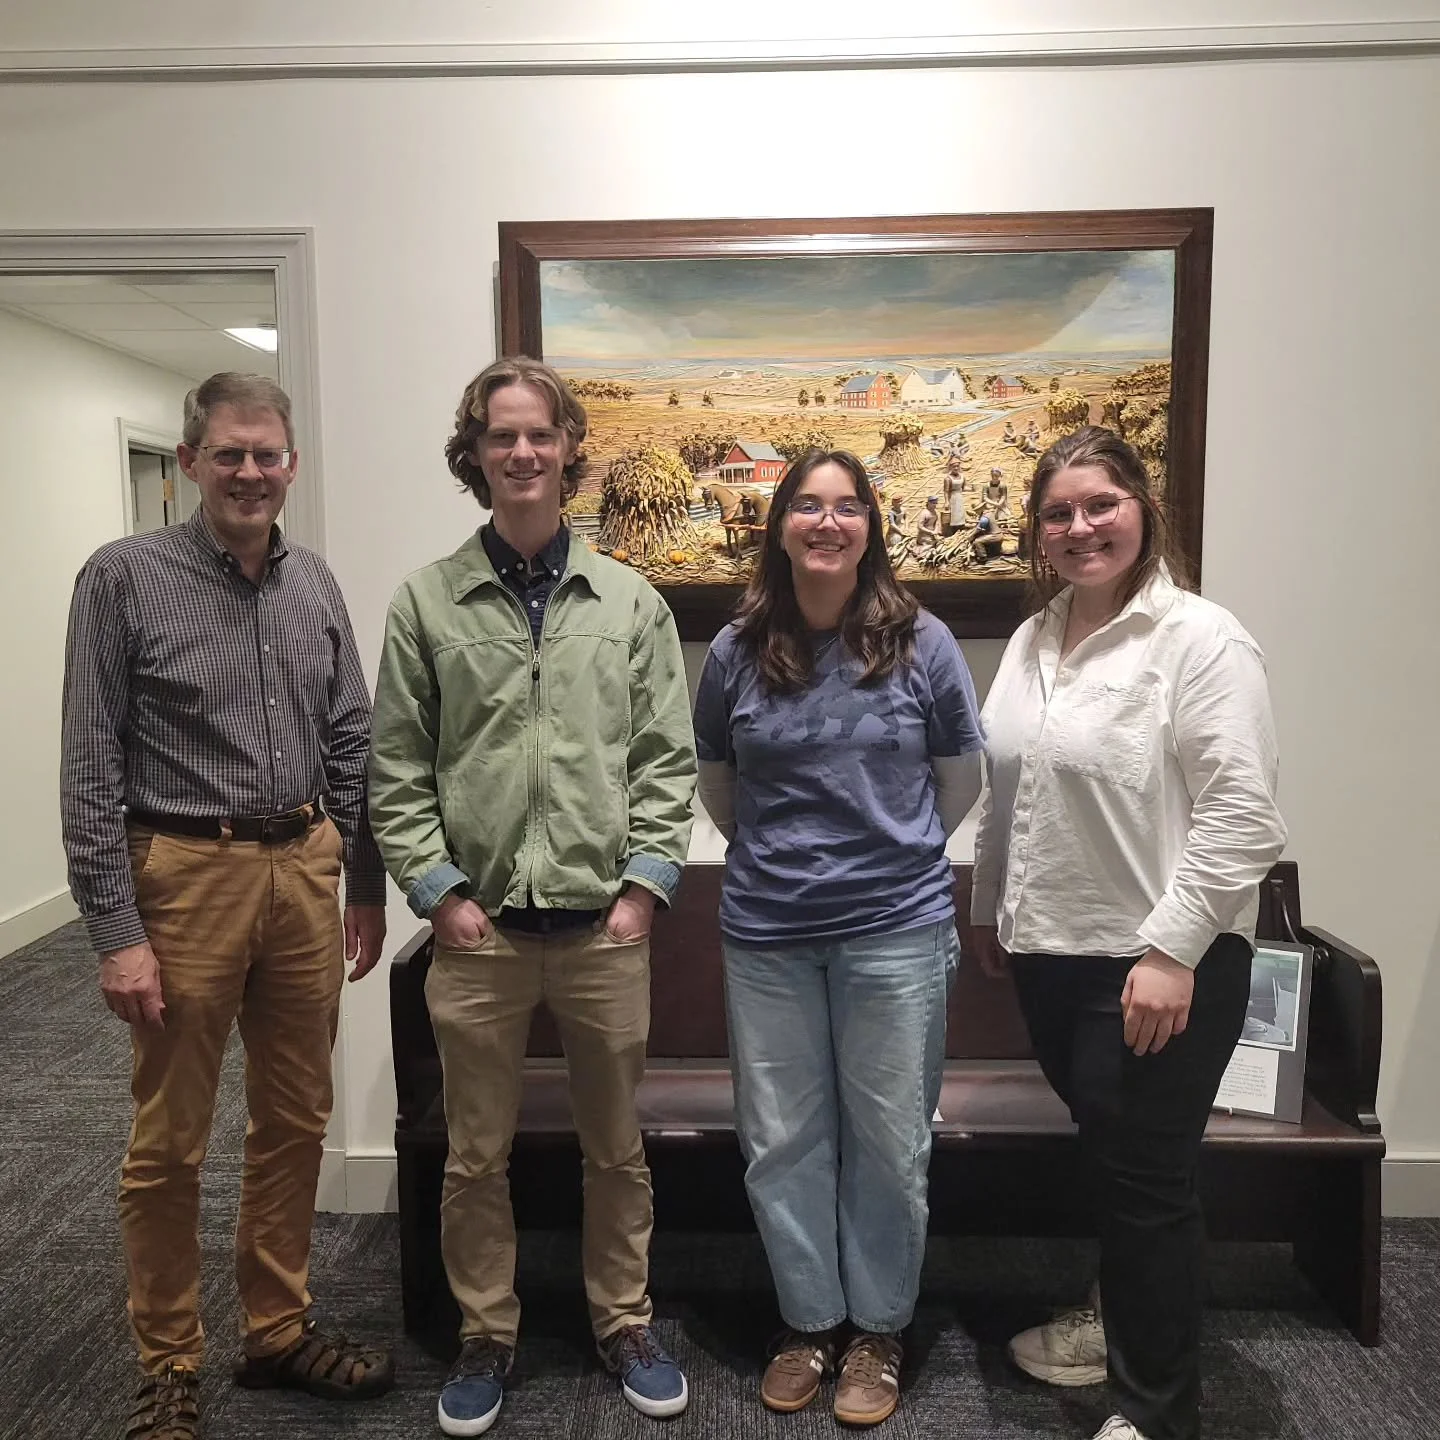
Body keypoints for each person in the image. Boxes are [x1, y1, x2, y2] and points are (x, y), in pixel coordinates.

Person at [59, 372, 395, 1440]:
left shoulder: (316, 584)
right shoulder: (121, 579)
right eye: (230, 454)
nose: (251, 473)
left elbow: (354, 735)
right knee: (171, 1141)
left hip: (302, 867)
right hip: (182, 878)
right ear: (193, 461)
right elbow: (88, 767)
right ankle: (167, 1360)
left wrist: (362, 877)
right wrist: (117, 936)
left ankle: (276, 1331)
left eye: (269, 455)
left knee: (295, 1119)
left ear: (292, 465)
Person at [367, 357, 697, 1436]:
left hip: (606, 928)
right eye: (501, 437)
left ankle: (624, 1320)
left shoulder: (630, 602)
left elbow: (665, 763)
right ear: (477, 455)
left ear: (567, 450)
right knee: (475, 1155)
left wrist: (645, 892)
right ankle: (486, 1333)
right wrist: (437, 892)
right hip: (481, 933)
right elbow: (398, 768)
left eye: (539, 435)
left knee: (617, 1149)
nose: (521, 454)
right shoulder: (426, 602)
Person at [969, 426, 1287, 1440]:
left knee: (1147, 1186)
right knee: (1117, 1163)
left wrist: (1171, 951)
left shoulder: (1200, 640)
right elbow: (1003, 788)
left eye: (1099, 503)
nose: (1079, 526)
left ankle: (1155, 1412)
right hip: (1052, 957)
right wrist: (988, 907)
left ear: (1143, 506)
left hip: (1159, 968)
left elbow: (1243, 817)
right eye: (1058, 512)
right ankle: (1116, 1323)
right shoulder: (1034, 637)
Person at [693, 448, 983, 1427]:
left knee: (891, 1143)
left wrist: (887, 856)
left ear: (870, 528)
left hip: (895, 932)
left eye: (847, 507)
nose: (827, 522)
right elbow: (719, 785)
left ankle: (877, 1332)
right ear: (779, 525)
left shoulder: (924, 642)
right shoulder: (737, 648)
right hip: (768, 935)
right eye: (808, 506)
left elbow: (958, 780)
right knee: (781, 1142)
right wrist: (787, 859)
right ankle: (810, 1321)